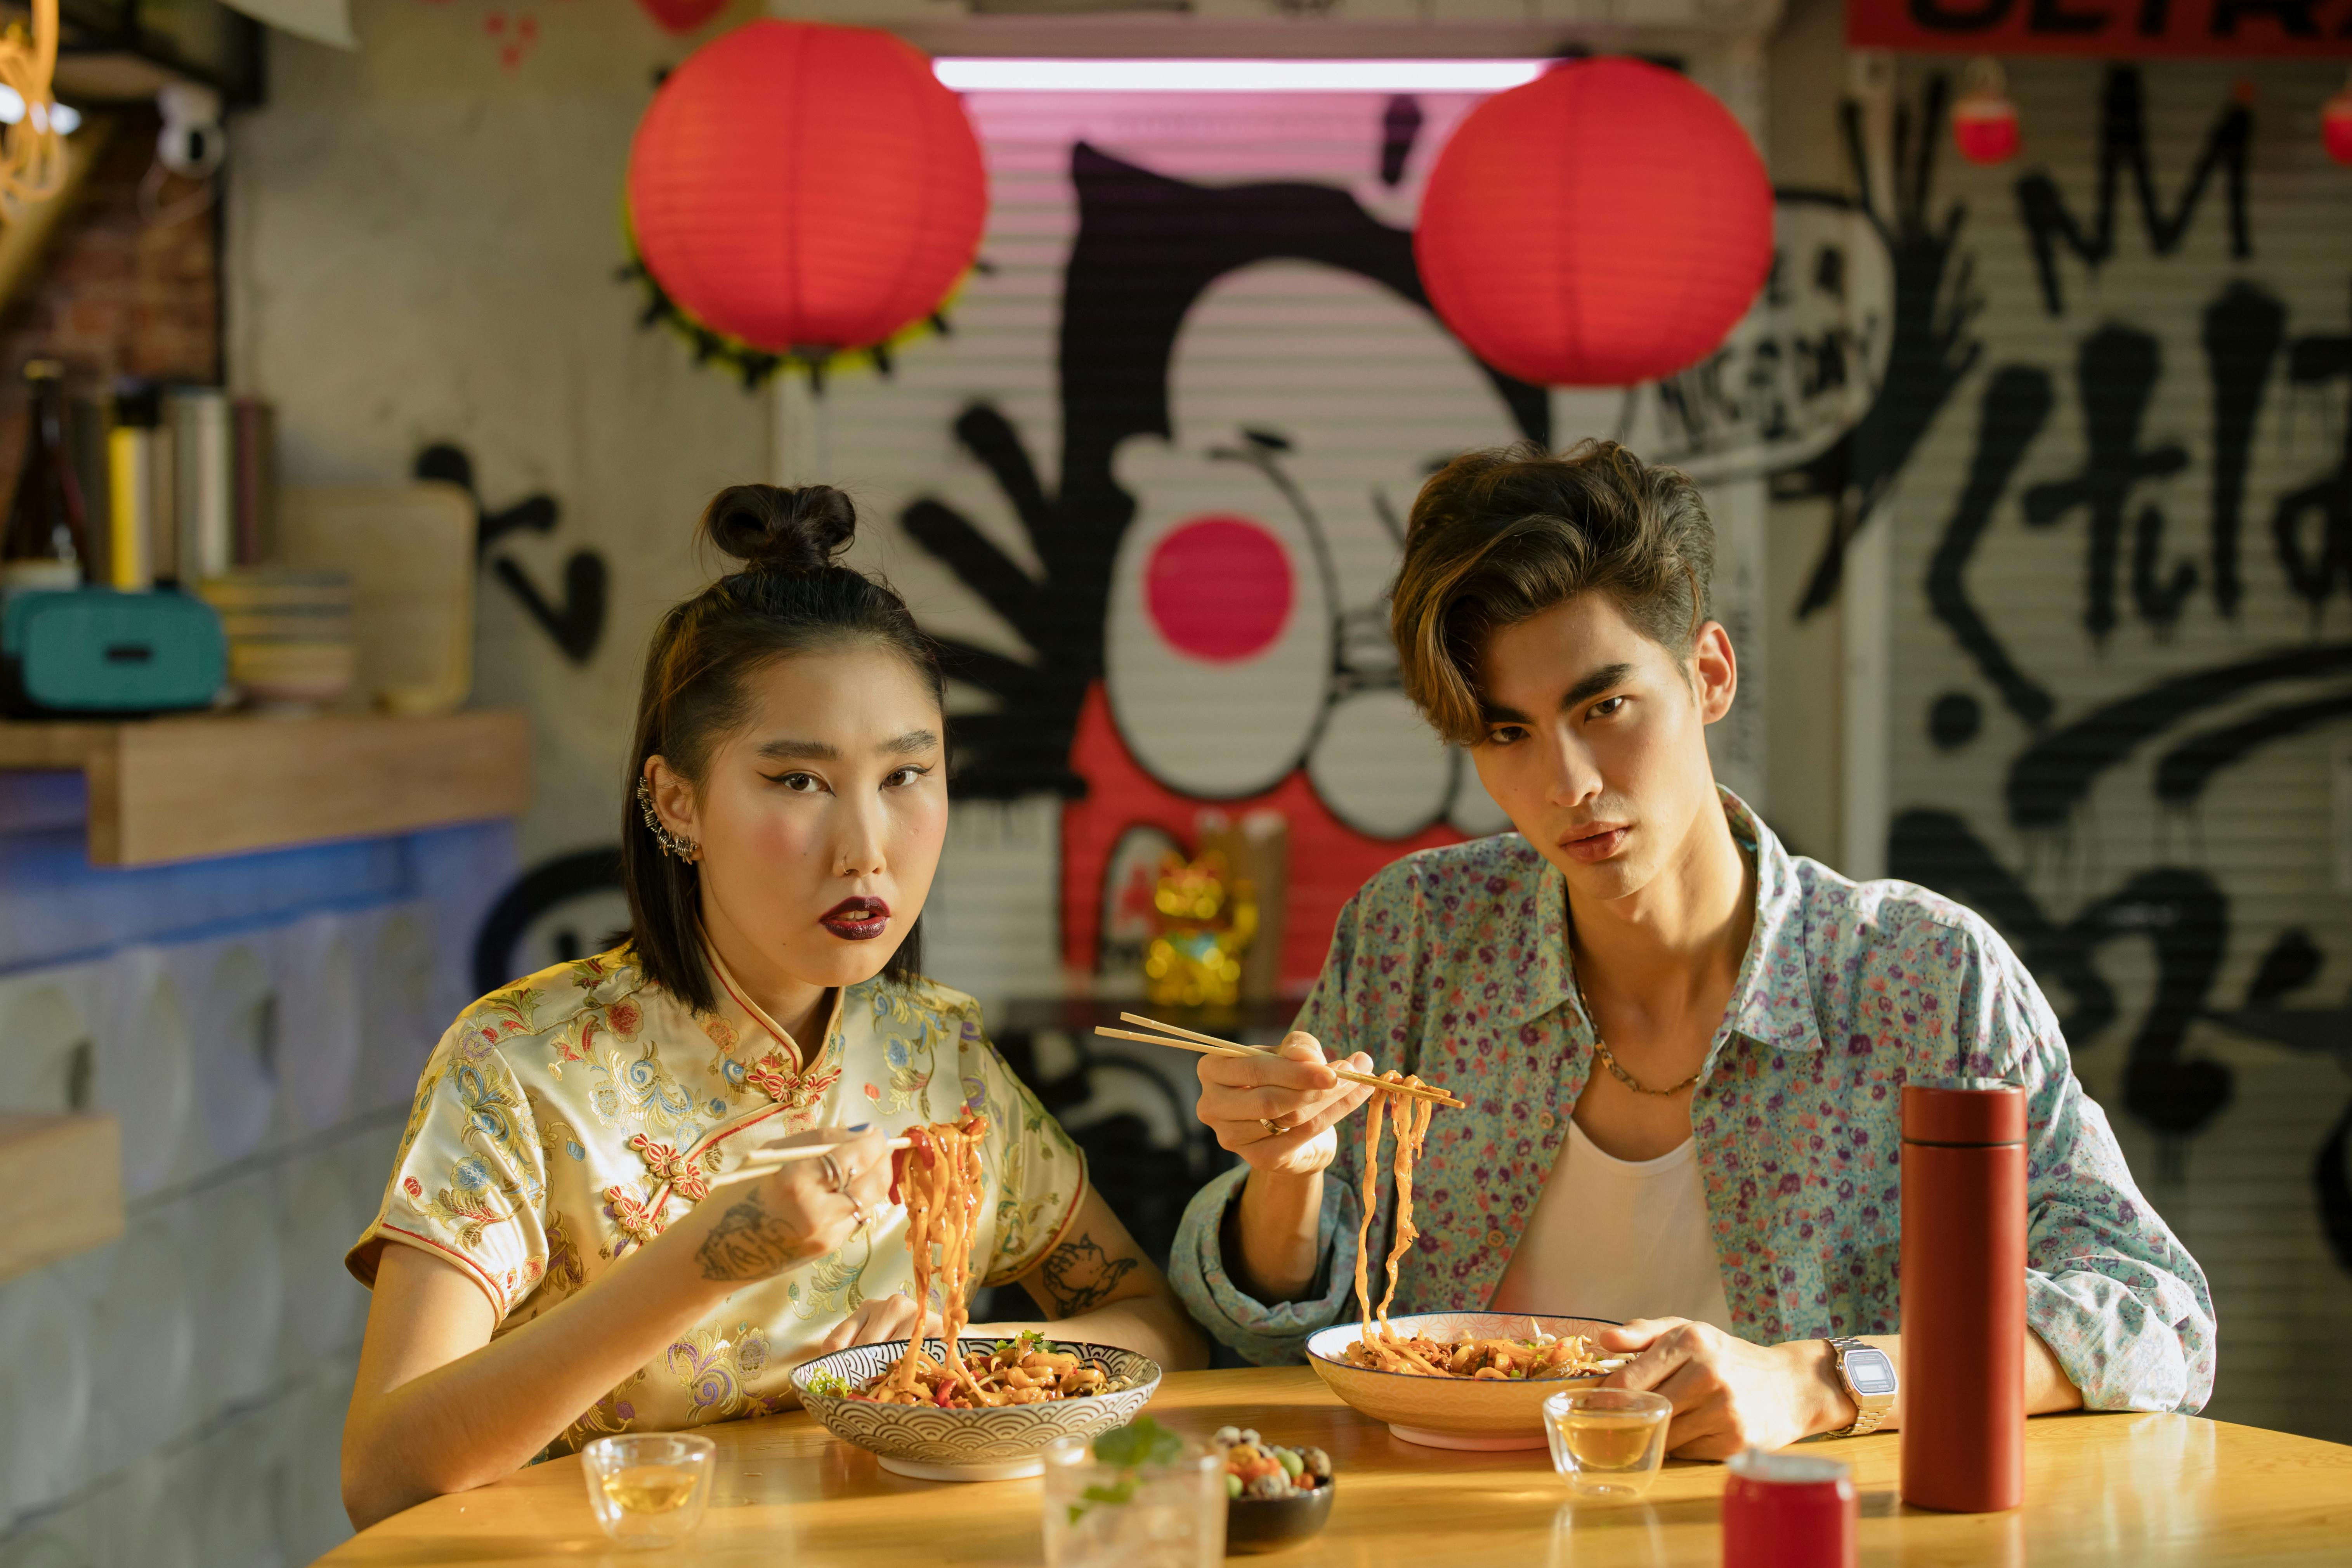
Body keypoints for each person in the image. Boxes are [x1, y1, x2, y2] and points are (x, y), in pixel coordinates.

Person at [1169, 441, 2213, 1457]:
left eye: (1603, 706)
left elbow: (2151, 1320)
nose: (1566, 781)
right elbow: (1269, 1333)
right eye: (1506, 734)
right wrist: (1287, 1175)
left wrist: (1820, 1383)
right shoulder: (1418, 937)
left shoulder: (1919, 977)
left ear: (1708, 674)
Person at [341, 486, 1203, 1528]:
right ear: (676, 802)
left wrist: (947, 1360)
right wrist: (706, 1260)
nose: (866, 848)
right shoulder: (523, 1063)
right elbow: (386, 1474)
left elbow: (1152, 1327)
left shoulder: (938, 1054)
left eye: (905, 776)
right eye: (798, 782)